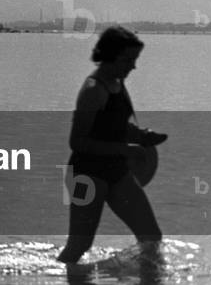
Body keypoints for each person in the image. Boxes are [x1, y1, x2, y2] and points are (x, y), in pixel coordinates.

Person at [57, 26, 168, 267]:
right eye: (128, 59)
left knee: (151, 237)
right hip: (86, 175)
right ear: (109, 55)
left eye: (135, 59)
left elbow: (114, 125)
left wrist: (142, 136)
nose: (133, 66)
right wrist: (126, 150)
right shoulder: (93, 90)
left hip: (117, 172)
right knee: (79, 245)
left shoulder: (118, 83)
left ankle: (146, 277)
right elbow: (77, 142)